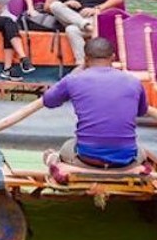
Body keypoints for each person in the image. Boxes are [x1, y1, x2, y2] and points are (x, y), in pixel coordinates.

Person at [42, 37, 157, 168]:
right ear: (113, 57)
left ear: (85, 60)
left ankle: (54, 160)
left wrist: (77, 71)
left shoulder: (73, 80)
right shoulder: (133, 81)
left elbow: (49, 100)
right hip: (126, 158)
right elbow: (141, 111)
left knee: (67, 146)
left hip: (87, 157)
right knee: (141, 151)